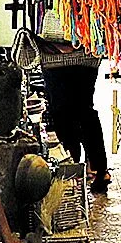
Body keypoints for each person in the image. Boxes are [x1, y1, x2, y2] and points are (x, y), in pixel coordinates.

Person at [43, 60, 111, 193]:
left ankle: (73, 168)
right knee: (84, 111)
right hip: (83, 57)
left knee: (63, 113)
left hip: (54, 58)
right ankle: (98, 169)